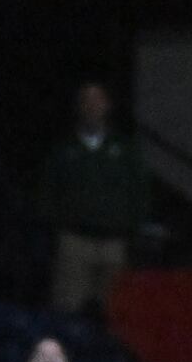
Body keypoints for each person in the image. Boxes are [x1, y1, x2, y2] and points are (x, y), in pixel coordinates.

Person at [33, 81, 150, 314]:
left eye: (97, 100)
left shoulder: (124, 149)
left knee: (115, 310)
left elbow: (140, 191)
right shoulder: (64, 150)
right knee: (68, 307)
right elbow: (47, 193)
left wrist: (132, 224)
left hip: (114, 242)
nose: (92, 107)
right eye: (86, 101)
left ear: (107, 106)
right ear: (78, 107)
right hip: (74, 241)